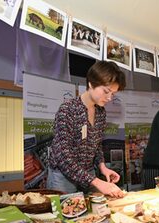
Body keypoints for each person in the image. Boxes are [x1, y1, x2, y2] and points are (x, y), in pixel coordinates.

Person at [47, 61, 126, 198]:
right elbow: (63, 157)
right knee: (64, 216)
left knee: (93, 215)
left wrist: (102, 167)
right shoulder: (68, 109)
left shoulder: (101, 112)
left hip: (88, 172)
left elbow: (97, 145)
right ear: (91, 83)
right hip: (63, 177)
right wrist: (97, 182)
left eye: (113, 94)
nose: (109, 98)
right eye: (106, 91)